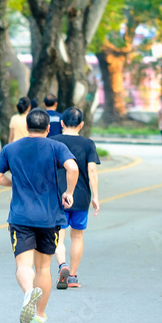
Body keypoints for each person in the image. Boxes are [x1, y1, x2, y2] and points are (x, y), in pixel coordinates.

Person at [0, 109, 79, 323]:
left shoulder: (11, 148)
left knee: (23, 265)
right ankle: (39, 317)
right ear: (49, 128)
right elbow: (73, 167)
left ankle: (28, 292)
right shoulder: (56, 146)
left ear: (26, 127)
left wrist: (13, 184)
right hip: (49, 218)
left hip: (20, 216)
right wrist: (69, 192)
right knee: (44, 268)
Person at [50, 107, 101, 289]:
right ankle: (72, 276)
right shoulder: (88, 144)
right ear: (81, 124)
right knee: (77, 236)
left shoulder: (53, 142)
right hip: (81, 197)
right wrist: (95, 196)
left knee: (59, 234)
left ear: (62, 123)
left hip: (58, 196)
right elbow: (92, 170)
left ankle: (62, 265)